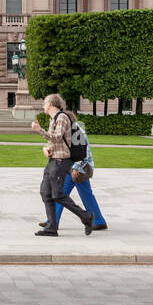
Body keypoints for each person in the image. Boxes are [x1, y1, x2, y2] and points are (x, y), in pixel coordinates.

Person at [29, 94, 94, 237]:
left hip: (61, 162)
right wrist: (47, 149)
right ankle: (52, 227)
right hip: (53, 160)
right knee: (45, 192)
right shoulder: (53, 119)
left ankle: (86, 217)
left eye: (45, 103)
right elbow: (54, 142)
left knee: (57, 195)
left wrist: (39, 130)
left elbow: (57, 137)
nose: (43, 106)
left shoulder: (62, 117)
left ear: (51, 104)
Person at [42, 126, 108, 232]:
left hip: (77, 168)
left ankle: (52, 221)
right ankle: (98, 221)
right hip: (73, 166)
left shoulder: (75, 130)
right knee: (84, 194)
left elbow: (83, 151)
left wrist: (76, 167)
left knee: (61, 193)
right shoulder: (66, 129)